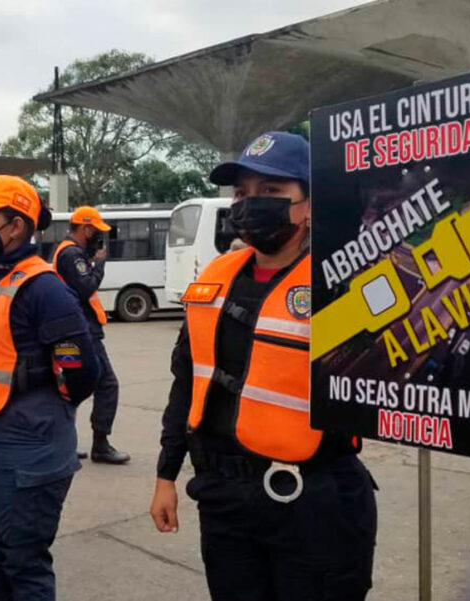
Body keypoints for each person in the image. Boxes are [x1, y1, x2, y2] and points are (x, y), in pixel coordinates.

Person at [149, 132, 377, 601]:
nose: (252, 204)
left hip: (315, 502)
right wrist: (165, 477)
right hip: (225, 502)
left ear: (310, 204)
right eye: (242, 193)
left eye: (272, 192)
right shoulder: (213, 281)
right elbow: (186, 385)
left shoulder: (345, 282)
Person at [0, 175, 99, 601]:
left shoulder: (44, 288)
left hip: (24, 443)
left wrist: (43, 412)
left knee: (24, 563)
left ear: (16, 226)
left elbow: (83, 371)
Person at [51, 205, 129, 464]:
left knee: (72, 386)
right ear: (85, 228)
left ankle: (65, 443)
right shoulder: (72, 254)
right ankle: (101, 445)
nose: (98, 236)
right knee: (106, 384)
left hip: (74, 328)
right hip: (81, 331)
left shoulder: (69, 251)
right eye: (96, 230)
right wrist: (100, 264)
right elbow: (86, 287)